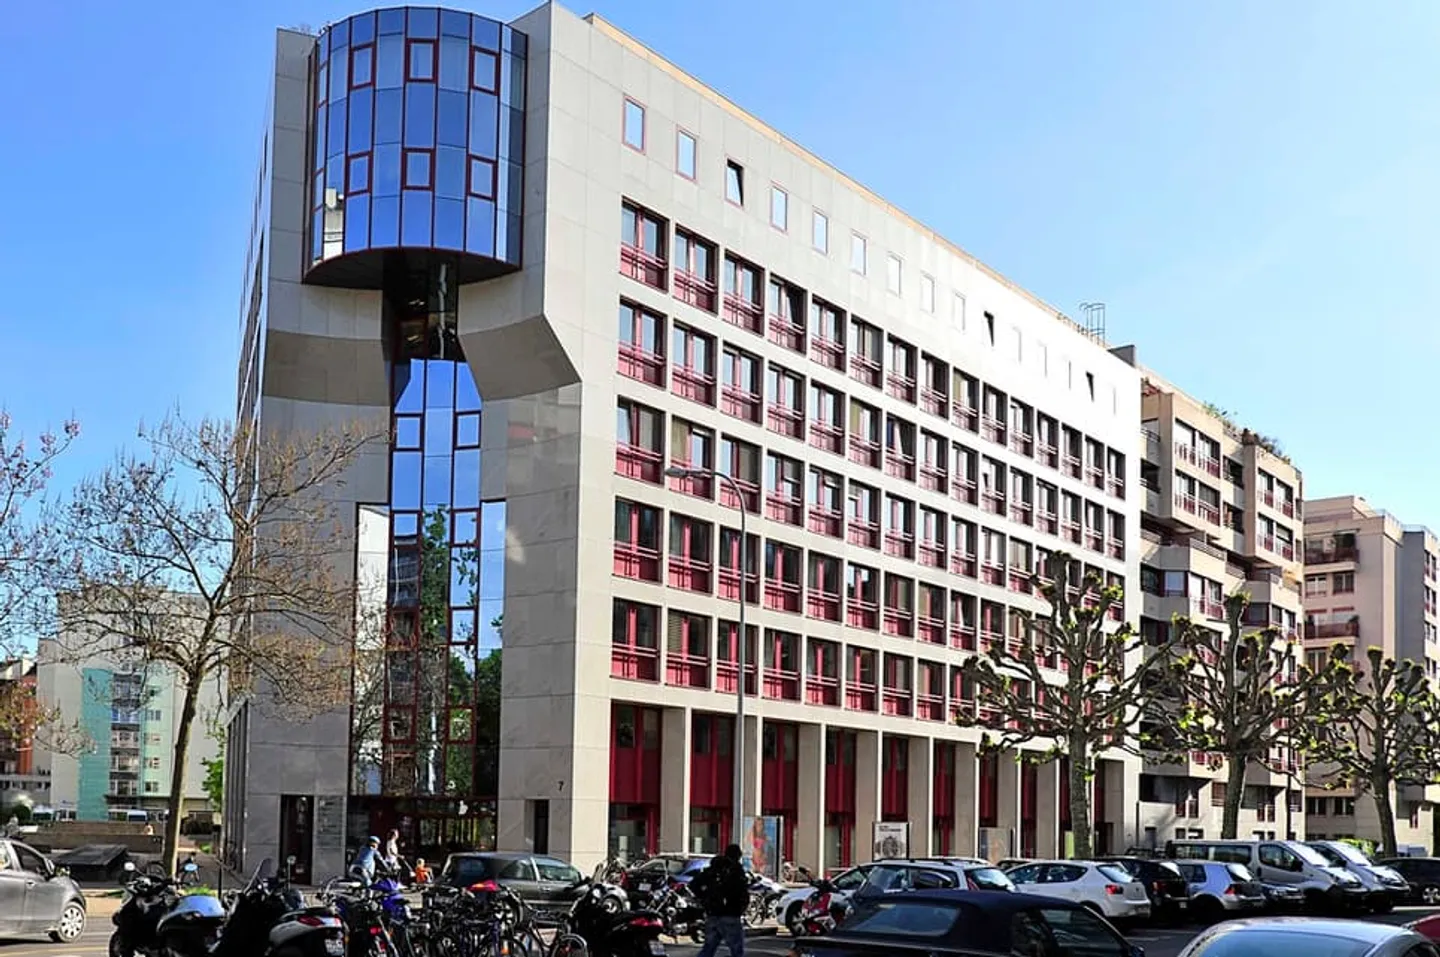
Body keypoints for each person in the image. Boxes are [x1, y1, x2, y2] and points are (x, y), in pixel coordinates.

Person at [689, 843, 750, 957]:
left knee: (709, 947)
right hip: (731, 913)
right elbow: (741, 890)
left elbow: (693, 884)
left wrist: (704, 898)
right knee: (737, 949)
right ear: (737, 855)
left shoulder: (712, 869)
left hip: (713, 912)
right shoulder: (735, 870)